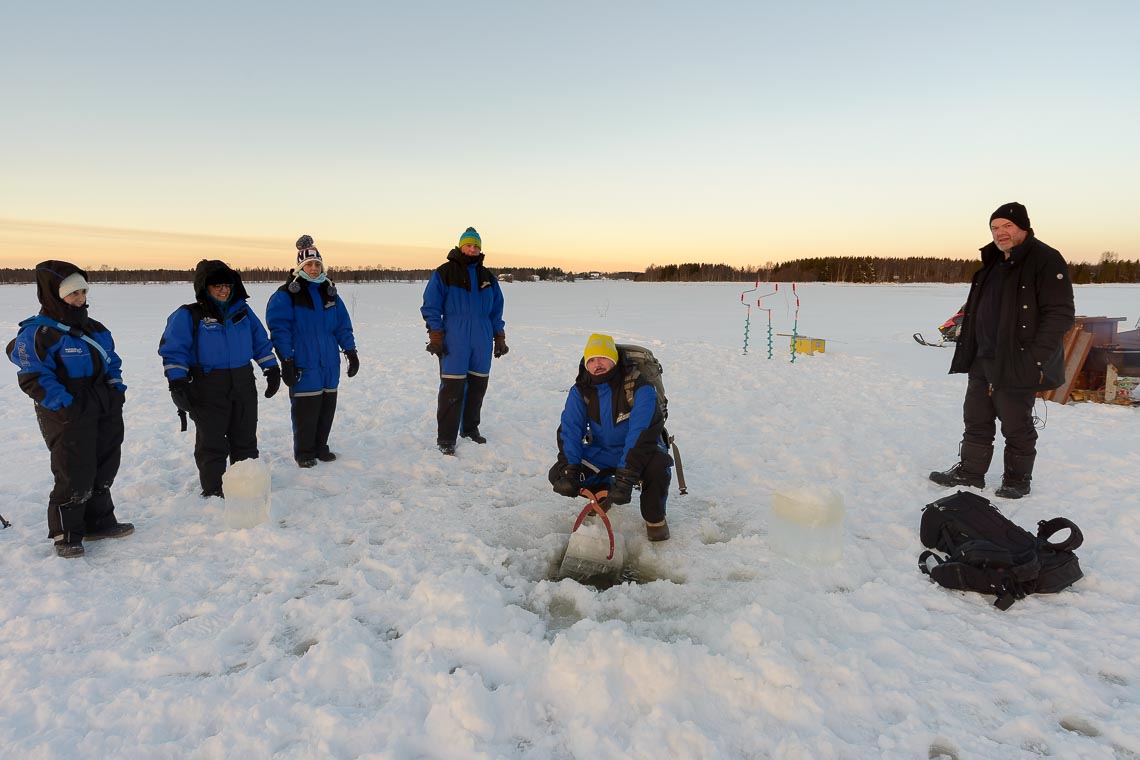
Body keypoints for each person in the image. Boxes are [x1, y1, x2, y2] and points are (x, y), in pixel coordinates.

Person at [929, 202, 1075, 499]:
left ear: (1023, 227)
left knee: (1015, 421)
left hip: (1018, 357)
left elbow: (1059, 313)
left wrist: (1035, 357)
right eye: (995, 228)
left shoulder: (1045, 259)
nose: (1000, 233)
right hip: (983, 355)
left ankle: (1018, 479)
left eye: (1007, 226)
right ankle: (971, 472)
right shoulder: (994, 261)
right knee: (977, 416)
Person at [7, 261, 134, 558]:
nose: (79, 299)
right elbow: (34, 377)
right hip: (66, 406)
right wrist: (64, 405)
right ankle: (67, 533)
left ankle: (100, 522)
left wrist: (116, 389)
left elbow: (112, 361)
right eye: (72, 293)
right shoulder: (39, 334)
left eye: (82, 292)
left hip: (103, 402)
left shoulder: (96, 329)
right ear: (53, 294)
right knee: (74, 470)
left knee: (105, 464)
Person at [158, 259, 280, 497]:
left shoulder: (243, 312)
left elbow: (260, 342)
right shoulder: (188, 315)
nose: (224, 290)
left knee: (245, 435)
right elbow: (174, 350)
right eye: (217, 286)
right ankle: (213, 489)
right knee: (212, 440)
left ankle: (245, 483)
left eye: (227, 285)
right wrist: (178, 382)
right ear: (205, 288)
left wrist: (271, 369)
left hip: (243, 381)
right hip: (207, 384)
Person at [548, 334, 674, 541]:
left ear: (614, 359)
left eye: (603, 358)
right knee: (558, 474)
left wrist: (626, 474)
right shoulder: (581, 390)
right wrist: (569, 469)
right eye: (592, 360)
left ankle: (655, 519)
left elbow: (641, 433)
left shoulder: (640, 387)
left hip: (644, 450)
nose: (597, 364)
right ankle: (603, 493)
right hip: (604, 451)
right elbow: (570, 429)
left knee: (658, 466)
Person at [266, 235, 358, 468]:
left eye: (317, 264)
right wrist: (286, 360)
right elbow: (280, 329)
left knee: (326, 407)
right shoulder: (286, 295)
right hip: (303, 361)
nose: (314, 269)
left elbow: (342, 325)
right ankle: (304, 452)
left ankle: (320, 446)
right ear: (300, 267)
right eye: (309, 264)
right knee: (306, 410)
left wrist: (350, 351)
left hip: (328, 361)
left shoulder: (330, 292)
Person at [420, 227, 508, 455]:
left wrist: (499, 336)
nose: (472, 249)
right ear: (461, 246)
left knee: (478, 387)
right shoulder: (444, 272)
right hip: (455, 337)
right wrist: (436, 335)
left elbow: (496, 310)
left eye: (476, 246)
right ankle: (446, 439)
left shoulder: (488, 278)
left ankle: (470, 430)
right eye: (469, 245)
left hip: (481, 337)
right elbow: (431, 306)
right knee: (452, 388)